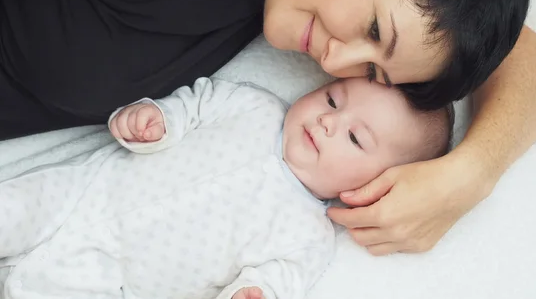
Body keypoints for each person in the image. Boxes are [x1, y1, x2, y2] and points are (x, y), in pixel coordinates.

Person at [0, 0, 536, 253]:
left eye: (370, 71)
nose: (335, 65)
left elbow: (523, 55)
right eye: (371, 29)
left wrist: (469, 174)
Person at [0, 77, 453, 298]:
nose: (329, 121)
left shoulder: (308, 236)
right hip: (78, 194)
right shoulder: (251, 104)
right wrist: (154, 121)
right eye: (333, 98)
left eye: (356, 138)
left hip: (112, 279)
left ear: (375, 184)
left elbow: (278, 282)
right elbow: (190, 106)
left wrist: (254, 293)